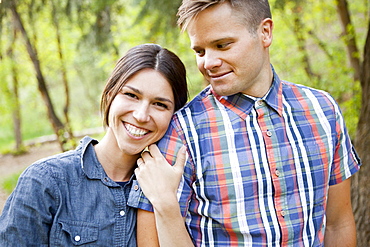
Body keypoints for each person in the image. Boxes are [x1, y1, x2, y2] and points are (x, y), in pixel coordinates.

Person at [131, 1, 361, 246]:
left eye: (222, 45)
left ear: (265, 32)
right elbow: (152, 239)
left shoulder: (323, 110)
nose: (208, 62)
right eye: (200, 51)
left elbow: (339, 223)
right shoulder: (180, 132)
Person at [0, 43, 188, 246]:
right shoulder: (45, 181)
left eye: (160, 104)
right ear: (109, 96)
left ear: (173, 117)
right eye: (131, 95)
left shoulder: (170, 187)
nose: (141, 116)